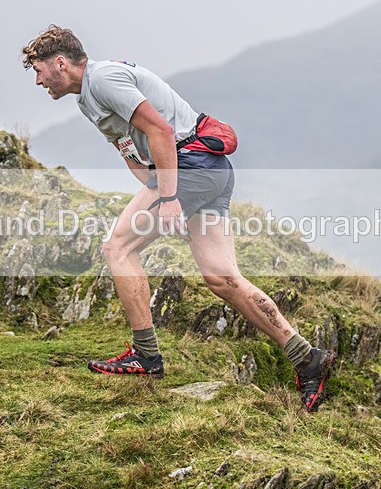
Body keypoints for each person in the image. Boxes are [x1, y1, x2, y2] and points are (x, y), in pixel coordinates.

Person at [21, 26, 337, 412]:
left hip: (192, 166)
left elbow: (160, 130)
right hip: (206, 172)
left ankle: (146, 356)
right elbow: (133, 154)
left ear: (60, 62)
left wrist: (170, 198)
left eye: (38, 70)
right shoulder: (87, 99)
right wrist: (168, 196)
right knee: (223, 278)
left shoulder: (102, 79)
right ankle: (307, 357)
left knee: (117, 248)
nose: (37, 80)